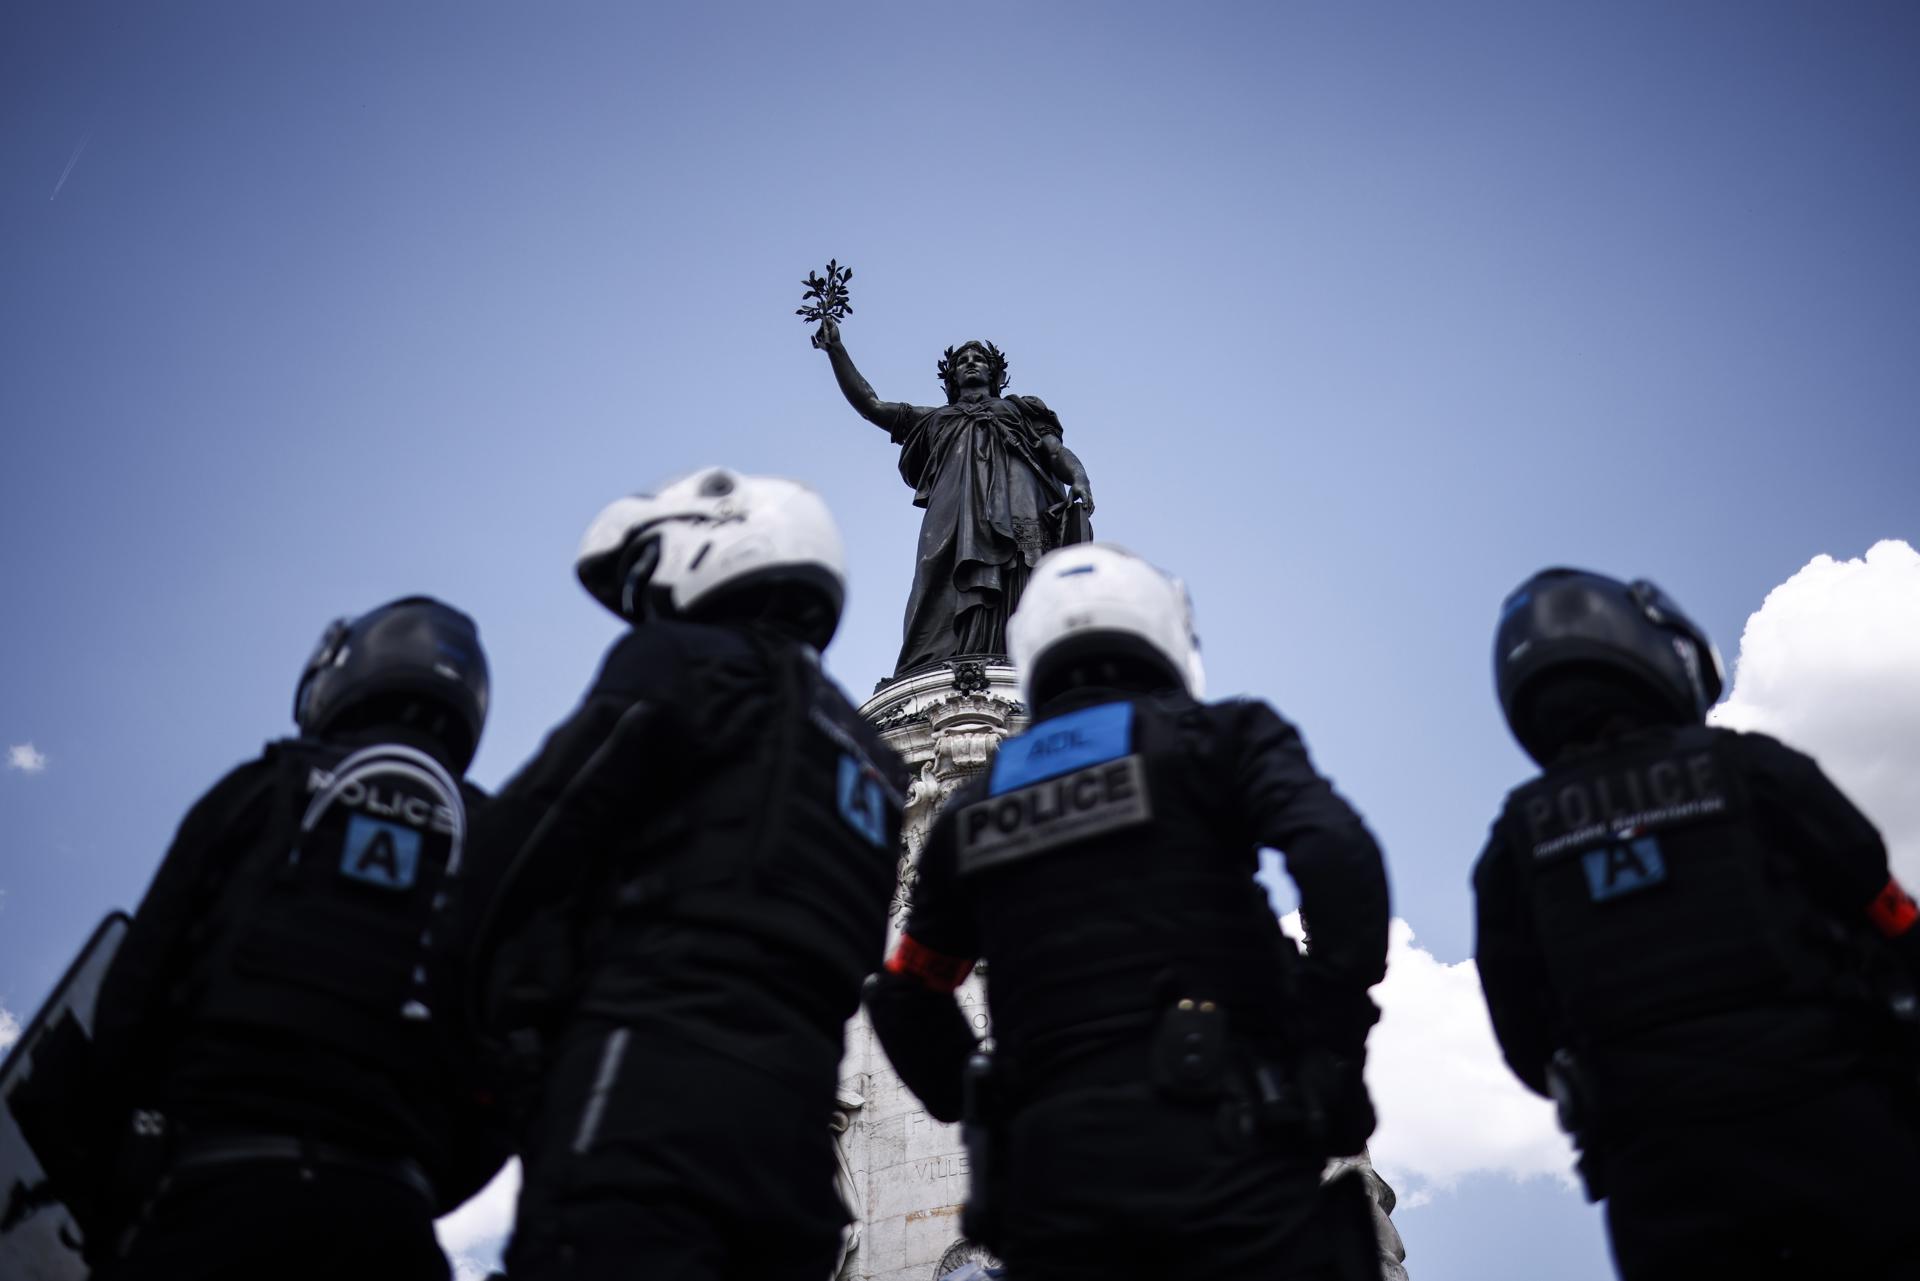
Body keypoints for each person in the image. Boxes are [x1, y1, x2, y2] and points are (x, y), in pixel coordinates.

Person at [866, 543, 1391, 1281]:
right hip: (1225, 1134)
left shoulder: (973, 810)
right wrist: (1333, 1033)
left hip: (1056, 1175)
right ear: (1166, 639)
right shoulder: (1218, 738)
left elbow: (908, 987)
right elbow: (1338, 857)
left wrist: (976, 1097)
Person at [472, 467, 908, 1281]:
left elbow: (528, 835)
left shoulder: (681, 659)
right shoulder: (872, 758)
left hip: (649, 1079)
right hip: (796, 1131)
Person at [1474, 567, 1920, 1280]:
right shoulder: (1753, 769)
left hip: (1664, 1188)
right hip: (1846, 1138)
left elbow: (1525, 1042)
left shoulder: (1511, 848)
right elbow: (1891, 917)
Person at [84, 596, 504, 1281]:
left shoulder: (260, 789)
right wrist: (414, 1182)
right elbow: (515, 1067)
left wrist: (134, 1161)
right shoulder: (500, 842)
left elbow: (134, 991)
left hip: (213, 1193)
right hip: (390, 1218)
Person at [814, 316, 1094, 676]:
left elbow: (1054, 451)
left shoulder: (1019, 410)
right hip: (953, 510)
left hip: (1019, 501)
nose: (971, 363)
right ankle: (937, 661)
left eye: (979, 358)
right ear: (952, 378)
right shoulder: (935, 418)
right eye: (962, 360)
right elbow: (872, 405)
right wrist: (836, 350)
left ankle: (1016, 655)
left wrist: (1080, 479)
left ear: (995, 374)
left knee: (1021, 568)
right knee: (939, 572)